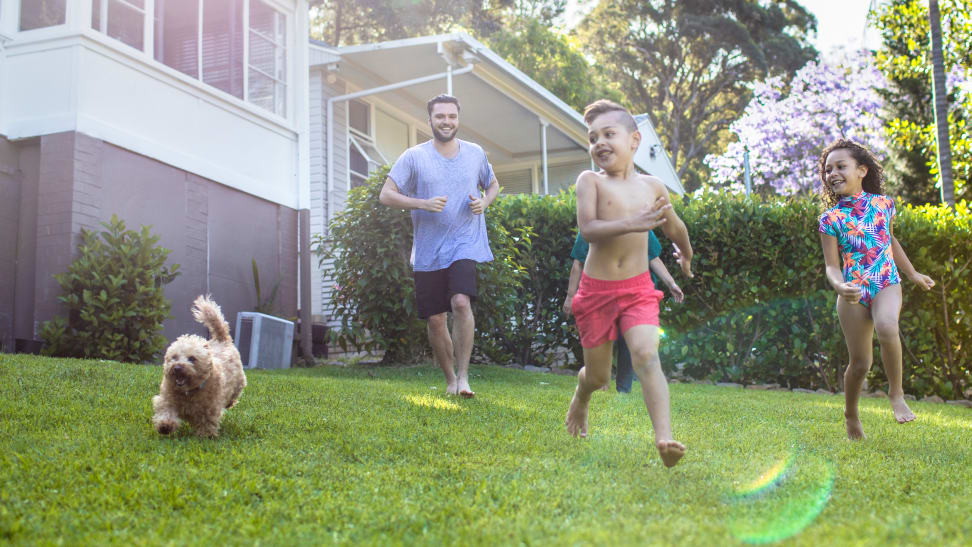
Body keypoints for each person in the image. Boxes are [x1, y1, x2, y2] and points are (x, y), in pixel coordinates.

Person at [565, 99, 694, 468]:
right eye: (593, 138)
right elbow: (588, 229)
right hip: (596, 291)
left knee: (646, 354)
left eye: (609, 134)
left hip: (638, 289)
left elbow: (675, 227)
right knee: (599, 375)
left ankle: (665, 438)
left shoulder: (653, 187)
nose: (599, 143)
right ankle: (582, 394)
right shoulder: (589, 181)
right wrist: (633, 223)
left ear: (634, 140)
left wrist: (685, 253)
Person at [379, 94, 499, 398]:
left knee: (461, 302)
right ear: (429, 120)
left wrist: (484, 201)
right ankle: (449, 379)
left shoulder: (475, 154)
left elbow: (493, 184)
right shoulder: (414, 156)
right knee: (435, 319)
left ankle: (464, 378)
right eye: (440, 116)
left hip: (464, 242)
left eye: (452, 116)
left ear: (458, 119)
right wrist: (422, 203)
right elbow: (386, 195)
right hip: (429, 250)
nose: (447, 121)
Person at [817, 139, 935, 440]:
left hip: (886, 282)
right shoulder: (830, 219)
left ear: (862, 170)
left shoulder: (884, 205)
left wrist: (912, 273)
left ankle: (896, 394)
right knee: (860, 364)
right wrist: (840, 285)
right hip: (853, 292)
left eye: (841, 166)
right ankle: (851, 415)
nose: (833, 173)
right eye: (828, 169)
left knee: (886, 325)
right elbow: (831, 266)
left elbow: (890, 242)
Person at [562, 230, 684, 393]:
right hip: (602, 293)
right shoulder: (593, 225)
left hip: (635, 294)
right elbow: (578, 263)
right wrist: (570, 296)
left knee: (628, 341)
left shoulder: (641, 226)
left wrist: (671, 284)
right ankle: (600, 381)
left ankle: (623, 389)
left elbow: (653, 258)